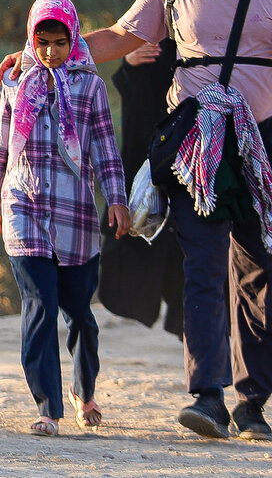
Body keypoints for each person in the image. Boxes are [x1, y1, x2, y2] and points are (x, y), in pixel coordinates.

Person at [0, 0, 272, 441]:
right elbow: (119, 37)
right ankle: (208, 396)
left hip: (265, 141)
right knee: (201, 267)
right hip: (196, 145)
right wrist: (38, 55)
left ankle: (252, 405)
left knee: (262, 276)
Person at [0, 0, 131, 437]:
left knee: (79, 312)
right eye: (41, 42)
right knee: (39, 304)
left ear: (74, 38)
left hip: (76, 217)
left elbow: (104, 148)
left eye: (59, 42)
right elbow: (1, 146)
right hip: (23, 206)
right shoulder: (14, 81)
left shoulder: (91, 86)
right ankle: (47, 406)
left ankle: (84, 391)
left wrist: (117, 199)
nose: (49, 52)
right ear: (31, 38)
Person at [97, 38, 186, 339]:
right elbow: (131, 96)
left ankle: (190, 325)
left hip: (196, 152)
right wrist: (130, 64)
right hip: (147, 158)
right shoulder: (153, 35)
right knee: (138, 232)